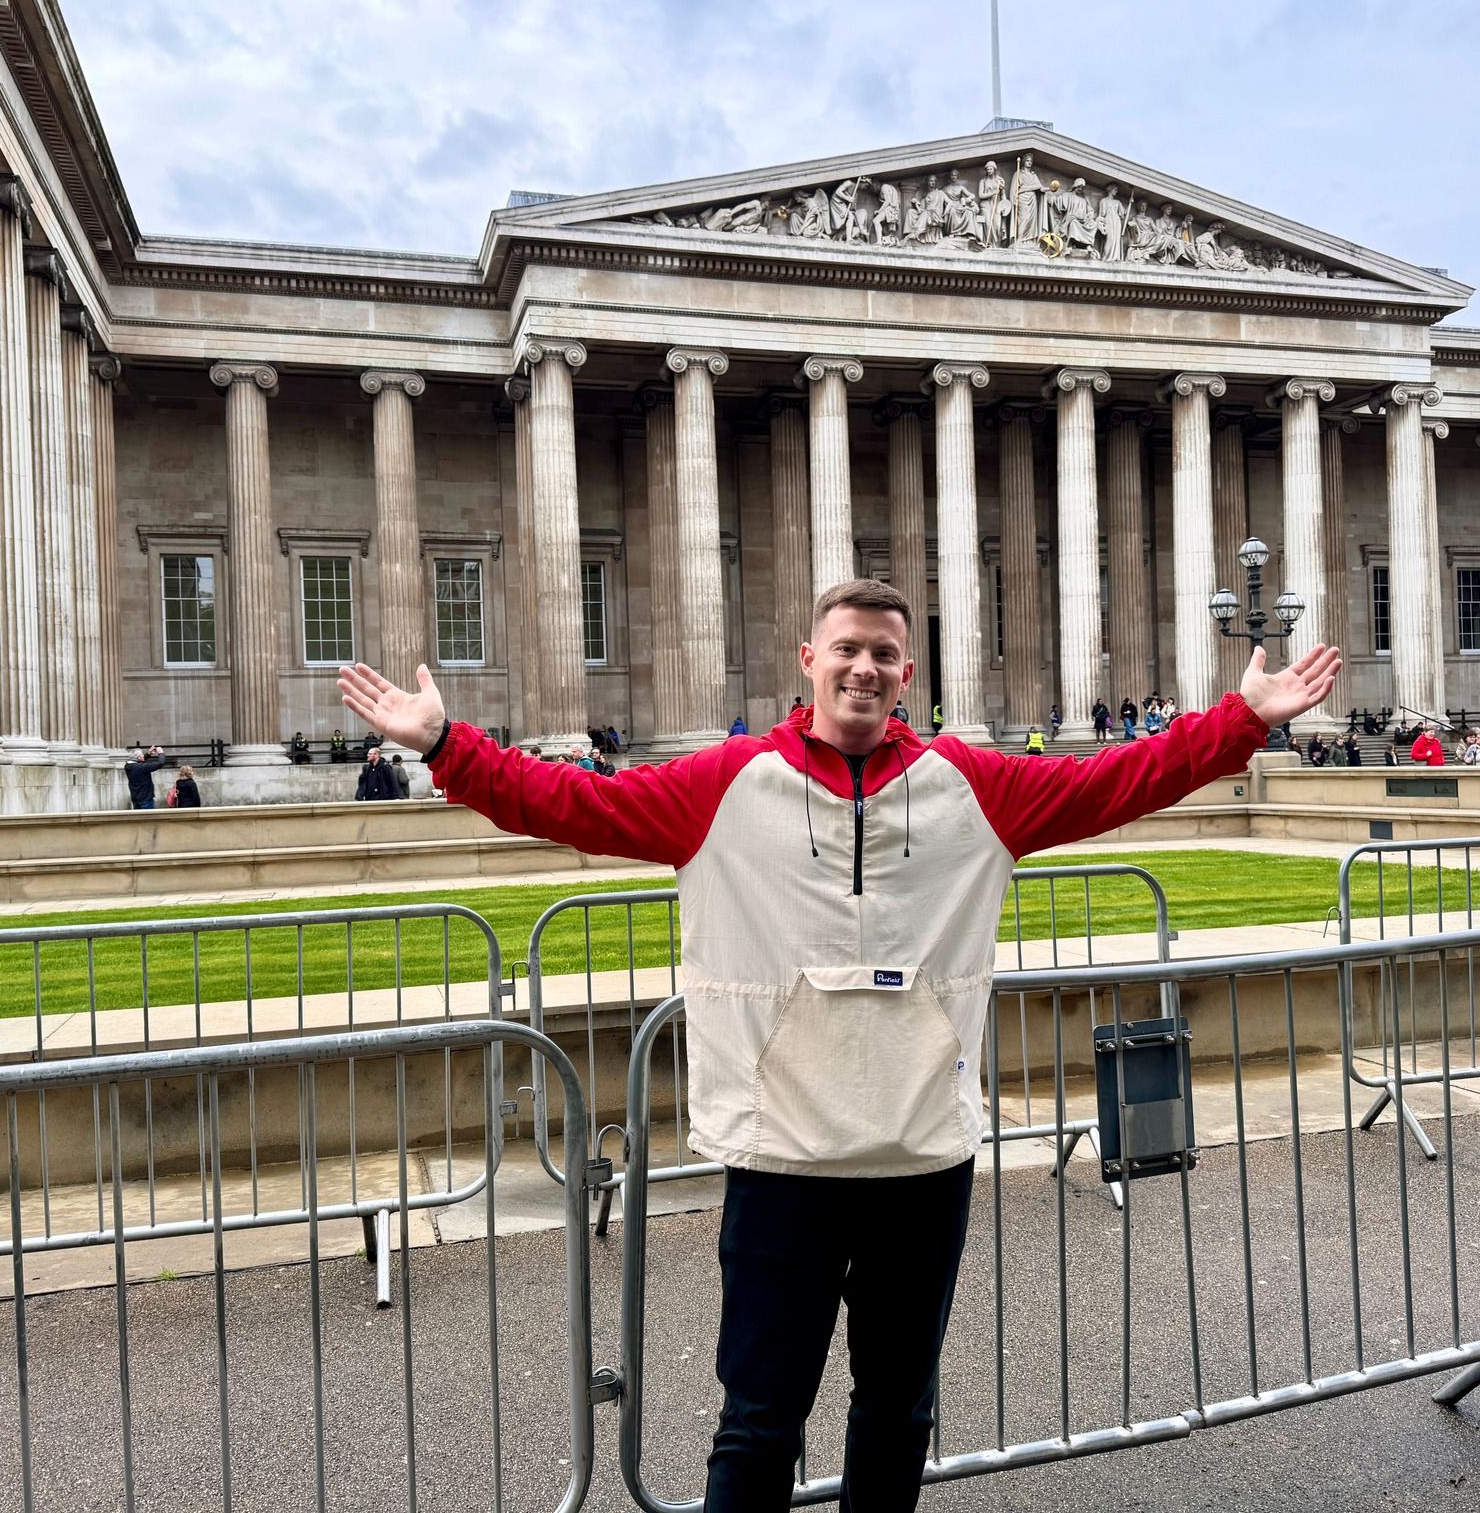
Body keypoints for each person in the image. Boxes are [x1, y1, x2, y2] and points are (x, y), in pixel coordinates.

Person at [337, 577, 1340, 1513]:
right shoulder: (723, 785)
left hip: (920, 1154)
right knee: (759, 1421)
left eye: (885, 656)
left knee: (895, 1411)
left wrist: (1239, 723)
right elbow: (568, 806)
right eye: (847, 650)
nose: (864, 669)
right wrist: (444, 746)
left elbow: (1126, 780)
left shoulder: (975, 787)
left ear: (908, 674)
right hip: (782, 1160)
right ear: (808, 659)